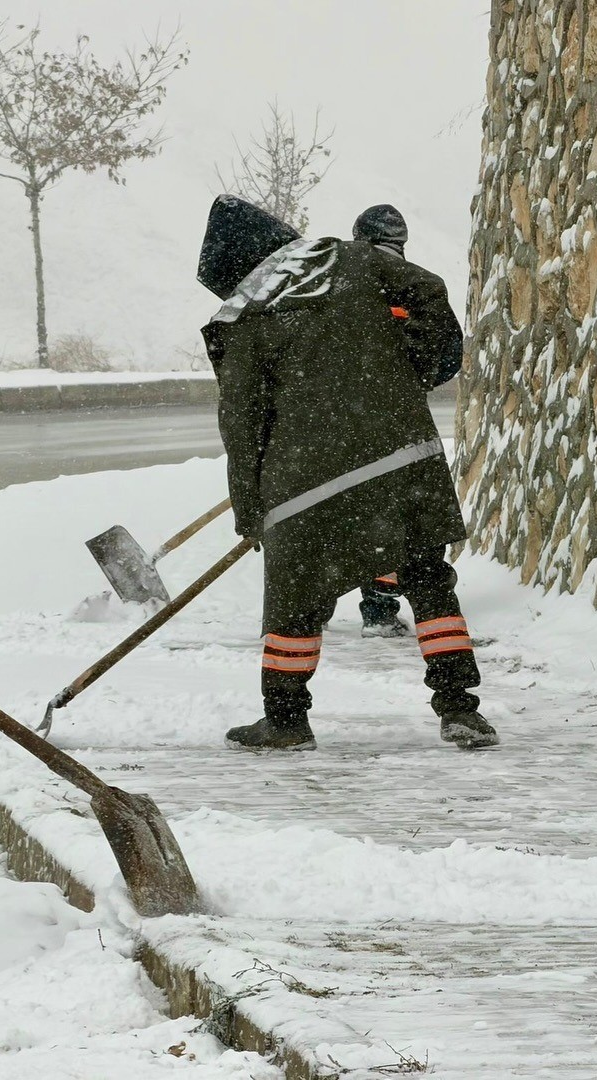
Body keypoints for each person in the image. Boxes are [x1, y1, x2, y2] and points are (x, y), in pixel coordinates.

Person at [196, 195, 498, 752]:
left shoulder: (246, 316)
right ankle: (461, 709)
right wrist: (417, 365)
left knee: (294, 598)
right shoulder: (350, 258)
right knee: (429, 582)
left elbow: (242, 427)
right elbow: (428, 287)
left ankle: (286, 720)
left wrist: (250, 511)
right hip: (401, 454)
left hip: (307, 483)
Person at [336, 205, 466, 639]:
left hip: (344, 419)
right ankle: (402, 601)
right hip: (400, 420)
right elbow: (448, 357)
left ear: (357, 238)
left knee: (357, 512)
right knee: (406, 514)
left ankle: (357, 605)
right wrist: (412, 380)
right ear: (401, 242)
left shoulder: (339, 285)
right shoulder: (417, 284)